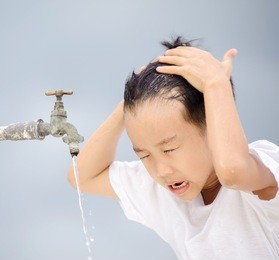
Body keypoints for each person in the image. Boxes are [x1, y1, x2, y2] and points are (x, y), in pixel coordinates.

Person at [67, 36, 279, 259]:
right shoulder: (163, 190)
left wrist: (216, 85)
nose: (161, 170)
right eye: (144, 155)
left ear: (212, 125)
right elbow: (82, 176)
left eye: (169, 149)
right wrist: (131, 104)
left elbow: (232, 171)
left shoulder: (261, 172)